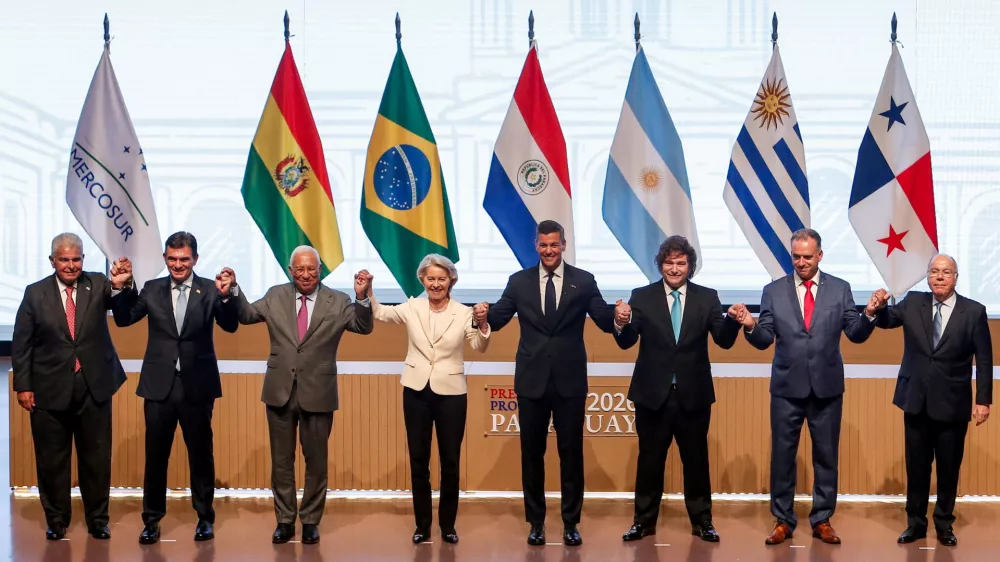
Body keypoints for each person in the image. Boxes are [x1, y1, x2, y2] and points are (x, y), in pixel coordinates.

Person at [483, 220, 625, 547]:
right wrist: (481, 315)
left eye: (554, 245)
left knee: (571, 454)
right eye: (543, 245)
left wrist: (619, 316)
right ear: (536, 245)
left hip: (570, 383)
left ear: (563, 245)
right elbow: (500, 316)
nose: (549, 250)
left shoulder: (583, 281)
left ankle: (571, 523)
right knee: (531, 455)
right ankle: (536, 523)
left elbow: (604, 320)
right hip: (531, 382)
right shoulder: (518, 282)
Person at [221, 246, 373, 545]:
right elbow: (247, 315)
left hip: (318, 392)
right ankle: (285, 520)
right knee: (281, 461)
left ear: (321, 270)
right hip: (279, 390)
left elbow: (362, 326)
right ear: (291, 271)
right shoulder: (275, 295)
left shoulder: (339, 300)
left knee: (316, 461)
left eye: (312, 269)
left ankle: (311, 520)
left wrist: (363, 297)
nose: (306, 274)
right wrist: (234, 289)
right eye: (300, 269)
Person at [740, 228, 880, 545]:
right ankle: (783, 520)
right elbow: (764, 339)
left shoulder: (840, 289)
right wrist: (750, 325)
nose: (801, 262)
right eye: (796, 256)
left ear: (820, 255)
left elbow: (855, 333)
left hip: (827, 388)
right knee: (782, 456)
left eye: (807, 256)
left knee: (826, 456)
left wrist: (869, 313)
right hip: (786, 389)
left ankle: (822, 519)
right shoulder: (772, 291)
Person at [614, 235, 747, 543]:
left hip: (694, 395)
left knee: (696, 461)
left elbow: (723, 341)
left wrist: (735, 321)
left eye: (681, 263)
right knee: (649, 461)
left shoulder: (707, 297)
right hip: (652, 395)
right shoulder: (642, 296)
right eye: (669, 262)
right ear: (660, 265)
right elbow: (626, 341)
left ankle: (702, 522)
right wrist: (620, 322)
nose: (674, 268)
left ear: (690, 266)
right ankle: (643, 522)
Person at [111, 232, 238, 544]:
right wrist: (121, 287)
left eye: (184, 259)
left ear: (195, 259)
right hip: (158, 386)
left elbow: (231, 324)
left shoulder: (210, 288)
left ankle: (205, 518)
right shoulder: (152, 289)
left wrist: (227, 295)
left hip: (198, 386)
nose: (177, 265)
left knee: (201, 455)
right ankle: (151, 520)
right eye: (172, 259)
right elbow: (125, 319)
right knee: (156, 457)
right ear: (165, 259)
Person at [361, 254, 490, 545]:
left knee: (450, 463)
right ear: (422, 280)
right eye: (430, 278)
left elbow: (480, 346)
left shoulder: (465, 312)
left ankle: (448, 526)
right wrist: (367, 291)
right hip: (416, 392)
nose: (436, 284)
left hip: (452, 394)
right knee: (419, 462)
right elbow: (380, 312)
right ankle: (422, 525)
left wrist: (482, 324)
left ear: (451, 281)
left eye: (441, 279)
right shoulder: (412, 307)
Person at [12, 232, 131, 540]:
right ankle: (56, 519)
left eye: (76, 259)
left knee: (96, 459)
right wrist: (23, 385)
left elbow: (124, 313)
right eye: (64, 259)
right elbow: (22, 344)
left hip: (94, 387)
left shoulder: (99, 284)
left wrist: (121, 285)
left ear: (83, 259)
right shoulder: (35, 293)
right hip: (49, 389)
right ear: (53, 261)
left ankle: (97, 520)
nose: (70, 265)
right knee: (52, 460)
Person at [870, 254, 992, 546]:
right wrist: (878, 308)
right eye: (934, 271)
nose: (939, 277)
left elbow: (984, 359)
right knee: (917, 467)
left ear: (956, 277)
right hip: (916, 401)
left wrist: (983, 400)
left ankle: (944, 524)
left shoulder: (974, 311)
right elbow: (887, 321)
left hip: (953, 403)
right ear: (927, 276)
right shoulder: (913, 303)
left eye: (946, 272)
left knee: (949, 468)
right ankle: (915, 524)